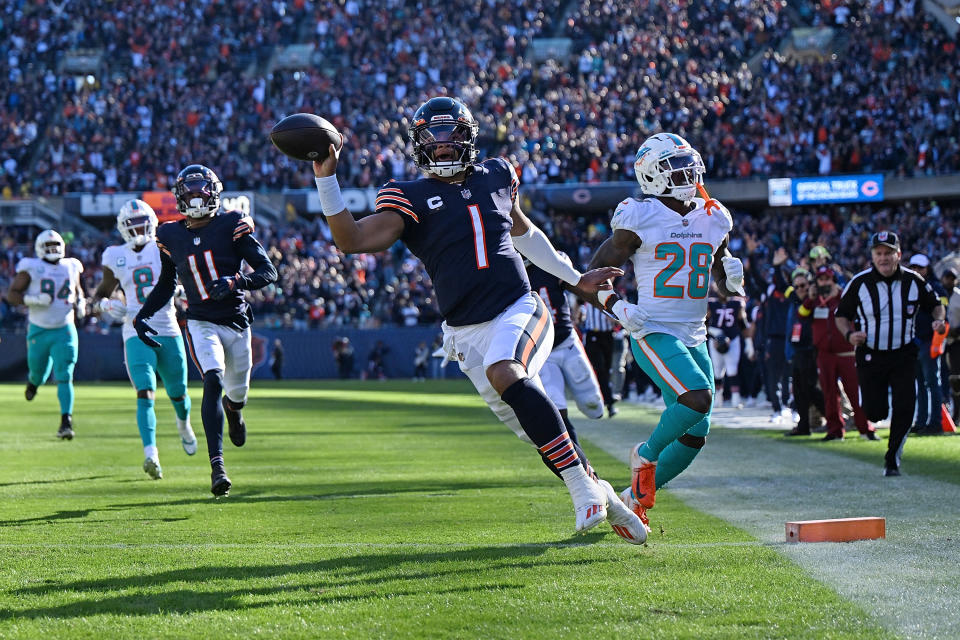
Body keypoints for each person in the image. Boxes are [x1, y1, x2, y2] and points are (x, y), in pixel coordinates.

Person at [312, 96, 645, 543]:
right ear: (419, 145)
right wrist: (326, 178)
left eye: (453, 137)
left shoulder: (497, 174)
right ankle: (604, 490)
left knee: (507, 371)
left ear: (469, 138)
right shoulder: (407, 196)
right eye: (435, 139)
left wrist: (576, 279)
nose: (445, 148)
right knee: (542, 432)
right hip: (466, 336)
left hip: (519, 308)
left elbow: (525, 233)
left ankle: (581, 487)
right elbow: (351, 241)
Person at [586, 132, 748, 529]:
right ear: (652, 176)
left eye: (688, 164)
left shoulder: (714, 215)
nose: (686, 173)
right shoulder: (638, 216)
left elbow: (721, 283)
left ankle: (632, 498)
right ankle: (645, 453)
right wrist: (617, 306)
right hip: (654, 329)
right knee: (696, 397)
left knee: (698, 431)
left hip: (696, 332)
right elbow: (590, 278)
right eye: (674, 167)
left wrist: (731, 280)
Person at [133, 164, 278, 496]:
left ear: (214, 193)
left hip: (237, 321)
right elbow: (167, 283)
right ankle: (217, 467)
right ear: (180, 197)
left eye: (202, 190)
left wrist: (236, 281)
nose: (197, 197)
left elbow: (267, 271)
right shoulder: (169, 234)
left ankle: (235, 411)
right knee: (212, 378)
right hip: (200, 320)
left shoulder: (231, 224)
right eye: (191, 191)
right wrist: (142, 314)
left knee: (236, 392)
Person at [92, 199, 198, 479]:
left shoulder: (164, 245)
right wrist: (104, 306)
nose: (138, 229)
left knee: (179, 393)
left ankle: (183, 423)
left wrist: (183, 292)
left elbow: (188, 275)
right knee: (145, 392)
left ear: (151, 224)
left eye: (142, 223)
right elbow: (101, 294)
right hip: (134, 330)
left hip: (168, 327)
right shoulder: (115, 255)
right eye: (132, 224)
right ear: (122, 228)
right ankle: (151, 453)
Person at [835, 231, 944, 477]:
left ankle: (892, 459)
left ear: (899, 255)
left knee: (905, 407)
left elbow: (935, 305)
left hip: (903, 354)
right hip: (871, 354)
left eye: (888, 253)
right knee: (875, 412)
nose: (883, 258)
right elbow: (841, 315)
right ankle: (876, 416)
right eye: (879, 253)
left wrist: (939, 321)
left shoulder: (914, 281)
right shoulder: (859, 283)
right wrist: (849, 335)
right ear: (872, 256)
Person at [6, 229, 85, 439]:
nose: (52, 250)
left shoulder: (71, 265)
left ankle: (66, 421)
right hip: (39, 329)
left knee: (65, 374)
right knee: (38, 372)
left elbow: (77, 290)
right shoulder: (31, 267)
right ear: (40, 249)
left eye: (56, 246)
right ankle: (34, 382)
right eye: (48, 247)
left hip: (65, 328)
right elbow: (12, 295)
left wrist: (82, 302)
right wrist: (32, 300)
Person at [800, 265, 877, 441]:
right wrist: (809, 299)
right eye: (821, 279)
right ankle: (835, 430)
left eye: (827, 279)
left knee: (855, 392)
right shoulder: (815, 300)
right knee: (829, 394)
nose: (824, 282)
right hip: (824, 354)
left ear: (833, 280)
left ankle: (865, 428)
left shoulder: (844, 297)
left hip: (846, 353)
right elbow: (801, 315)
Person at [906, 254, 948, 435]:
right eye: (913, 267)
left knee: (932, 382)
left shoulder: (936, 288)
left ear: (927, 268)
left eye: (920, 267)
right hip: (914, 342)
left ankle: (936, 422)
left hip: (930, 341)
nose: (916, 270)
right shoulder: (908, 287)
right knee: (920, 385)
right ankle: (921, 421)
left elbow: (944, 316)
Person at [783, 268, 824, 436]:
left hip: (810, 351)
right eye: (797, 286)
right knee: (800, 391)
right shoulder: (794, 299)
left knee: (811, 390)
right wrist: (780, 266)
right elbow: (781, 285)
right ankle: (804, 426)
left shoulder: (814, 301)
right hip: (797, 352)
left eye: (803, 285)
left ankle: (833, 419)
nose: (800, 289)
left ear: (810, 286)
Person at [706, 283, 754, 408]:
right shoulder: (711, 303)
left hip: (733, 339)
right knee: (717, 370)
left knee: (732, 369)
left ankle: (735, 398)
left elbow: (743, 324)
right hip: (716, 341)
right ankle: (718, 398)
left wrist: (749, 343)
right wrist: (713, 332)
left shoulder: (737, 303)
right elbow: (703, 324)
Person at [580, 297, 618, 416]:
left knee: (606, 369)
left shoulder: (612, 294)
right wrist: (577, 318)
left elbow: (619, 318)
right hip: (593, 336)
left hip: (607, 336)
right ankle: (608, 402)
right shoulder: (586, 290)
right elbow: (578, 304)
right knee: (600, 368)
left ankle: (606, 399)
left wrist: (614, 318)